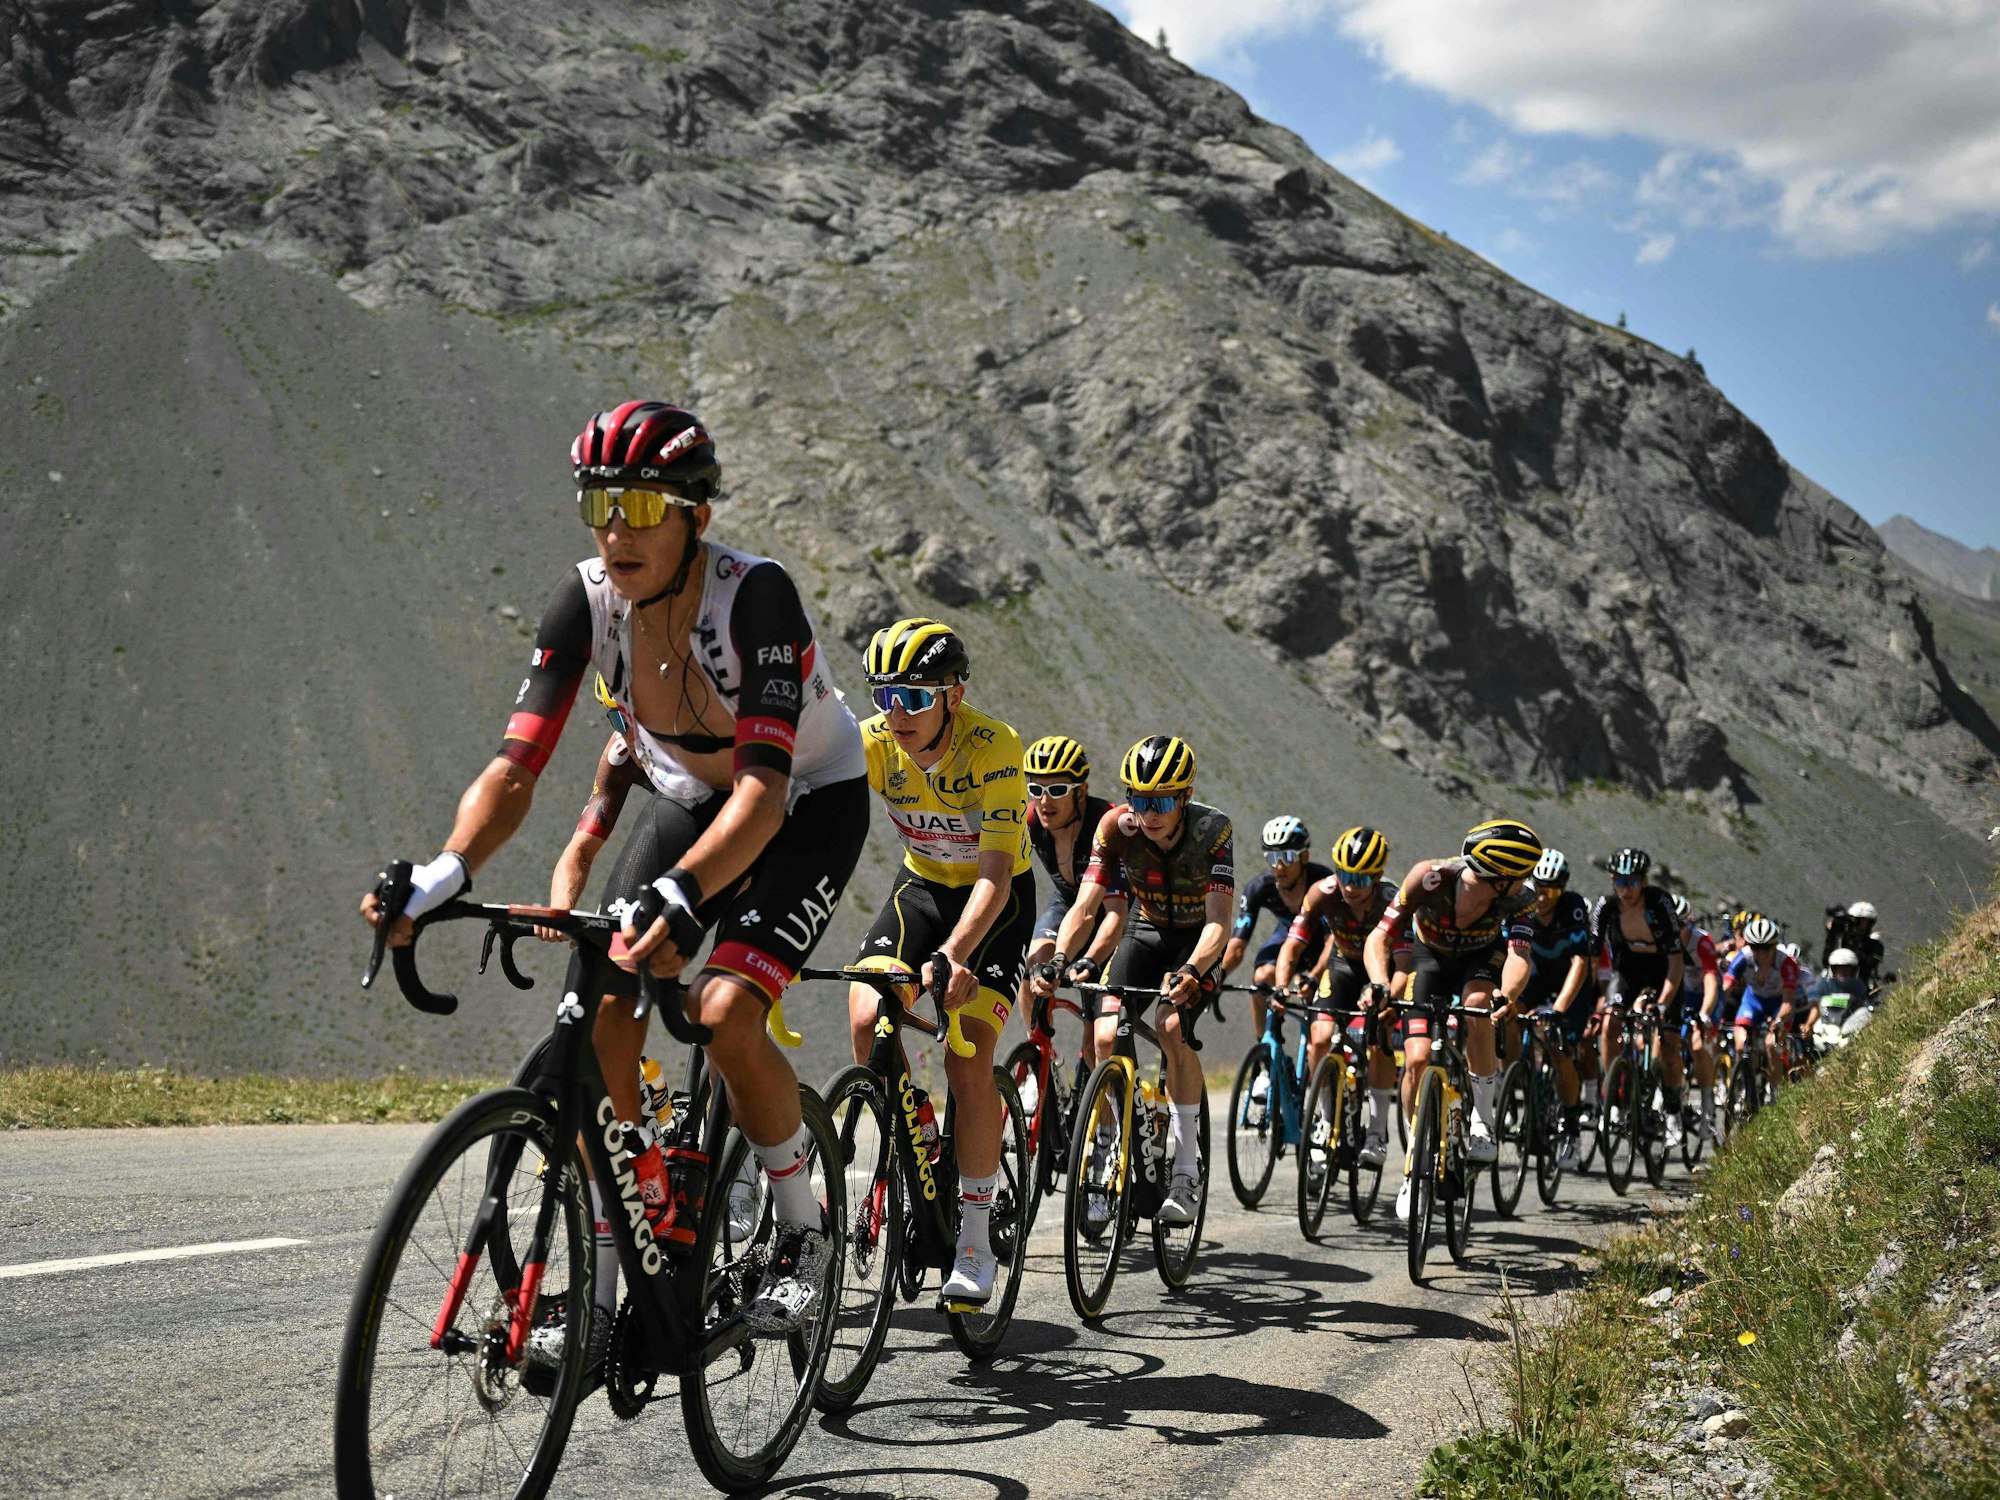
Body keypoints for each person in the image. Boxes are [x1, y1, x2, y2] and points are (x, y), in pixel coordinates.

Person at [361, 401, 870, 1340]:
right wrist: (445, 871)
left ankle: (803, 1226)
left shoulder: (755, 596)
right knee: (604, 1013)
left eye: (642, 503)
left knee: (722, 1011)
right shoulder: (586, 600)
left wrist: (686, 892)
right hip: (690, 794)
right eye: (600, 500)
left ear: (696, 516)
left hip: (804, 801)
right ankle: (607, 1278)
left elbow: (761, 795)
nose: (615, 526)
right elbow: (516, 768)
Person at [846, 617, 1034, 1305]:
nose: (896, 714)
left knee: (967, 1056)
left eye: (915, 698)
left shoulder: (995, 747)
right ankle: (920, 1129)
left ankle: (977, 1237)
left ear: (953, 695)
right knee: (867, 1012)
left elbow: (996, 874)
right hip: (921, 887)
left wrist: (955, 954)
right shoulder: (871, 741)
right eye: (884, 695)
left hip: (994, 904)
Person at [1036, 734, 1233, 1227]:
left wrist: (1192, 970)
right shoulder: (1115, 828)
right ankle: (1116, 1141)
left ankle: (1186, 1171)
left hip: (1196, 941)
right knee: (1103, 1035)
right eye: (1139, 799)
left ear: (1185, 797)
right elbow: (1085, 905)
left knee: (1170, 1028)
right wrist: (1060, 958)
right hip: (1146, 932)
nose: (1149, 812)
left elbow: (1219, 924)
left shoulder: (1214, 830)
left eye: (1162, 800)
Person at [1365, 818, 1543, 1221]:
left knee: (1479, 1005)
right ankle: (1415, 1166)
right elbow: (1380, 937)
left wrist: (1508, 994)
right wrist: (1378, 982)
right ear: (1498, 878)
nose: (1526, 882)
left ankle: (1482, 1120)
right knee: (1415, 1058)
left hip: (1481, 959)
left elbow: (1518, 954)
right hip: (1429, 960)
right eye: (1520, 875)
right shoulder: (1430, 877)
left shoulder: (1521, 898)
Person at [1274, 825, 1410, 1168]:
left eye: (1361, 880)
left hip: (1386, 970)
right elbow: (1293, 945)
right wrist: (1281, 983)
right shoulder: (1322, 892)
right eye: (1345, 875)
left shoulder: (1393, 899)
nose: (1350, 886)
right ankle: (1324, 1118)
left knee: (1380, 1039)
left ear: (1377, 877)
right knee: (1318, 1038)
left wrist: (1388, 999)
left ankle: (1377, 1132)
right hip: (1344, 966)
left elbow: (1407, 965)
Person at [1020, 735, 1128, 1071]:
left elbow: (1115, 915)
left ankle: (1104, 1119)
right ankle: (1039, 1059)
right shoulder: (1032, 822)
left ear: (1081, 791)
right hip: (1068, 900)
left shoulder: (1108, 824)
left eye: (1056, 790)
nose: (1044, 801)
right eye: (1036, 789)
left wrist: (1092, 959)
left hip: (1113, 911)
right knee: (1033, 968)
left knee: (1095, 1037)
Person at [1500, 849, 1595, 1169]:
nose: (1543, 896)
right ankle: (1511, 1083)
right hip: (1536, 978)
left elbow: (1581, 961)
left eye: (1551, 890)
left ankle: (1570, 1127)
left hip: (1570, 983)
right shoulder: (1521, 902)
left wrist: (1558, 1008)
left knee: (1558, 1050)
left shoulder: (1573, 908)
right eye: (1539, 887)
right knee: (1508, 1017)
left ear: (1562, 890)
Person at [1591, 848, 1688, 1145]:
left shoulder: (1660, 903)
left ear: (1644, 882)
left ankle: (1672, 1109)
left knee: (1669, 1046)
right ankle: (1614, 1099)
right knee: (1610, 1026)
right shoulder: (1606, 906)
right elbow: (1592, 960)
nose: (1625, 889)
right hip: (1628, 972)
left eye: (1632, 882)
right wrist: (1596, 1000)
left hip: (1664, 973)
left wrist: (1662, 1004)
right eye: (1619, 881)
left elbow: (1676, 962)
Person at [1221, 816, 1332, 1039]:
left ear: (1305, 856)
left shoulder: (1324, 882)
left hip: (1322, 941)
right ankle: (1264, 1050)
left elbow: (1334, 939)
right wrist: (1217, 976)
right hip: (1286, 934)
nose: (1279, 866)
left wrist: (1316, 975)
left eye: (1287, 857)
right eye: (1272, 857)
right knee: (1261, 978)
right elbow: (1237, 946)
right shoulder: (1259, 887)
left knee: (1312, 992)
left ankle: (1314, 1057)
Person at [1671, 892, 1723, 1142]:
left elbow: (1712, 982)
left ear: (1688, 923)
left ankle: (1707, 1106)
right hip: (1679, 996)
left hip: (1705, 997)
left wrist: (1704, 1013)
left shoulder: (1701, 942)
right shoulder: (1661, 940)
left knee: (1699, 1045)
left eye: (1679, 925)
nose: (1674, 930)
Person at [1721, 915, 1797, 1084]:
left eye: (1766, 948)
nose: (1761, 953)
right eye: (1756, 948)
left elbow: (1788, 1001)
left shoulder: (1787, 963)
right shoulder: (1743, 957)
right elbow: (1725, 987)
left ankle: (1775, 1095)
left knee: (1772, 1046)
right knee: (1741, 1045)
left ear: (1775, 945)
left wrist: (1778, 1020)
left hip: (1779, 1004)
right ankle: (1749, 1085)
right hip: (1753, 1001)